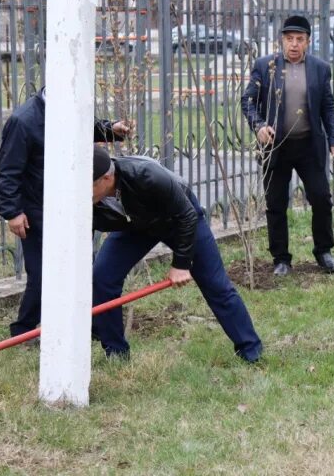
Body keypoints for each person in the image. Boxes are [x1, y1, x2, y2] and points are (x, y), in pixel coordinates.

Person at [91, 146, 263, 362]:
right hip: (135, 226)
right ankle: (115, 353)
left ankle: (251, 351)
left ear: (107, 178)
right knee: (102, 277)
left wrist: (181, 264)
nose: (83, 192)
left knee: (215, 284)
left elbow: (187, 215)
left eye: (89, 186)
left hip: (179, 220)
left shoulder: (145, 175)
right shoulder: (87, 198)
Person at [0, 88, 130, 337]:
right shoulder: (23, 121)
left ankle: (86, 326)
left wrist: (110, 129)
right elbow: (8, 171)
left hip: (75, 204)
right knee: (42, 274)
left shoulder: (69, 108)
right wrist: (12, 212)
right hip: (39, 209)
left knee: (79, 267)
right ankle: (24, 330)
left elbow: (82, 128)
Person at [240, 15, 334, 277]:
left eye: (299, 39)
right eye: (289, 39)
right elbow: (247, 101)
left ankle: (323, 251)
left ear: (307, 42)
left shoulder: (320, 68)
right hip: (276, 147)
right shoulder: (266, 66)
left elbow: (328, 106)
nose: (294, 44)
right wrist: (259, 125)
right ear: (281, 41)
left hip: (309, 146)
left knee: (321, 199)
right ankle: (281, 259)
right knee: (276, 203)